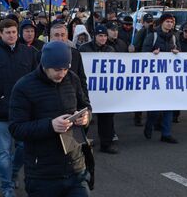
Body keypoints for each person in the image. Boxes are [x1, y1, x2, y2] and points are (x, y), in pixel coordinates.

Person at [9, 41, 91, 197]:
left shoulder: (72, 79)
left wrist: (85, 118)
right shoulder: (24, 86)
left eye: (66, 69)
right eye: (57, 69)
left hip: (75, 168)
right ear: (44, 65)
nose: (62, 74)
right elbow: (16, 128)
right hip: (42, 174)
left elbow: (86, 106)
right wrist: (50, 125)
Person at [0, 19, 39, 197]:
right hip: (0, 111)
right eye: (7, 32)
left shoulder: (29, 53)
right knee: (3, 152)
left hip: (23, 112)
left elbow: (37, 79)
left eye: (14, 32)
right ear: (0, 34)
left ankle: (13, 171)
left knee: (24, 147)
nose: (11, 35)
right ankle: (7, 187)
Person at [80, 25, 118, 154]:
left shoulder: (111, 49)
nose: (103, 38)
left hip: (103, 89)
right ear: (95, 36)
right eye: (100, 36)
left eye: (105, 36)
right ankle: (81, 143)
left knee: (106, 117)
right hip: (88, 88)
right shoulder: (84, 49)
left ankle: (106, 144)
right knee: (84, 117)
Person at [142, 13, 180, 144]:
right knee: (155, 108)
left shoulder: (174, 38)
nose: (170, 24)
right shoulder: (152, 36)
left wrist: (176, 53)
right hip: (155, 79)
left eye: (172, 22)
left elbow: (178, 52)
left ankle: (166, 133)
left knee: (169, 106)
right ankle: (149, 124)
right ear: (162, 23)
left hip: (169, 78)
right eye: (168, 21)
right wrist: (152, 54)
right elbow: (143, 55)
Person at [50, 22, 88, 97]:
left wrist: (85, 102)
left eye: (63, 35)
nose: (60, 38)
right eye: (56, 35)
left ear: (67, 37)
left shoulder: (75, 54)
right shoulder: (41, 55)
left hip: (71, 98)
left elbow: (82, 80)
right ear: (51, 37)